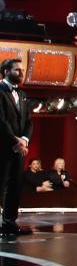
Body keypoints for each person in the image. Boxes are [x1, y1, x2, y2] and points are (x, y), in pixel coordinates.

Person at [0, 59, 32, 236]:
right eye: (17, 70)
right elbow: (1, 121)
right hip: (3, 146)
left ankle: (9, 223)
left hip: (19, 148)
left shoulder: (23, 94)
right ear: (5, 71)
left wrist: (25, 140)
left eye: (22, 70)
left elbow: (28, 121)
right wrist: (15, 141)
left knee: (14, 186)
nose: (21, 73)